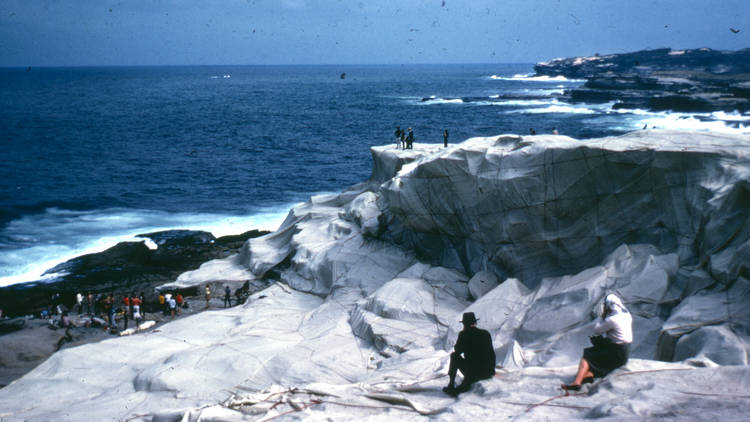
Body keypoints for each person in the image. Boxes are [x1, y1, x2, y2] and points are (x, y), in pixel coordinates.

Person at [562, 294, 633, 391]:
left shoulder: (612, 319)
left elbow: (597, 330)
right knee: (597, 358)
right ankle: (588, 377)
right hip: (625, 352)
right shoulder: (627, 315)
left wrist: (602, 315)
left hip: (616, 352)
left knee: (588, 355)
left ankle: (576, 383)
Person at [443, 312, 496, 397]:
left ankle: (451, 385)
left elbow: (457, 351)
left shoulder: (463, 334)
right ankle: (464, 384)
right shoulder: (485, 333)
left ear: (464, 324)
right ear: (475, 322)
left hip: (473, 373)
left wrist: (462, 337)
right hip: (488, 371)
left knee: (454, 356)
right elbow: (491, 354)